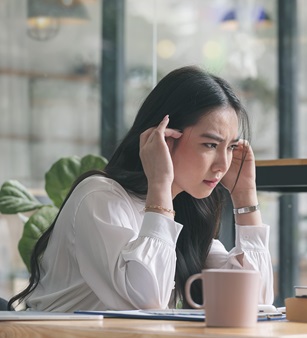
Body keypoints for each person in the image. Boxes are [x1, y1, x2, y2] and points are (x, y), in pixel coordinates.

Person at [8, 66, 274, 312]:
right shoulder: (99, 197)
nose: (223, 165)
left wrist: (245, 198)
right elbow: (148, 303)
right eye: (210, 145)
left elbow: (256, 302)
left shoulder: (183, 209)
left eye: (229, 147)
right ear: (164, 138)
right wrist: (160, 184)